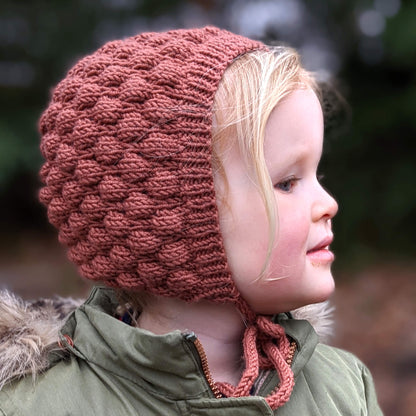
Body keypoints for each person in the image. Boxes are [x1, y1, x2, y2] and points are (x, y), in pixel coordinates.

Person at [0, 26, 383, 415]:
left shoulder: (342, 388)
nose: (328, 203)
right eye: (286, 183)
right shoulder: (39, 406)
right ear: (170, 219)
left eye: (317, 176)